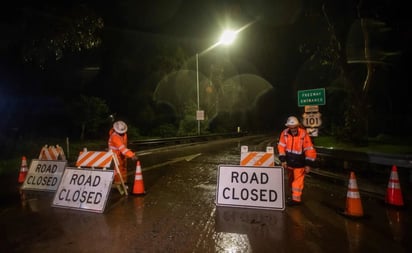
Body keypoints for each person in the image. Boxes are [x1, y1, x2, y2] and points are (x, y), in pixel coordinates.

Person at [277, 116, 317, 206]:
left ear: (298, 126)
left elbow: (309, 149)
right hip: (289, 163)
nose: (293, 129)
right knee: (291, 180)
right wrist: (283, 160)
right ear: (288, 127)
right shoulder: (284, 133)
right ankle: (293, 196)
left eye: (295, 127)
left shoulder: (303, 134)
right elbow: (281, 147)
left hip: (300, 163)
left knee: (297, 182)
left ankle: (296, 199)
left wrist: (308, 164)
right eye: (291, 127)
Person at [108, 120, 138, 185]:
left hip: (121, 154)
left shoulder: (124, 135)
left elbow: (124, 146)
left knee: (123, 168)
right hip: (115, 154)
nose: (122, 133)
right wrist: (131, 155)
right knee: (118, 170)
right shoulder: (114, 136)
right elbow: (122, 148)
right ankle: (118, 183)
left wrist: (126, 153)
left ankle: (123, 182)